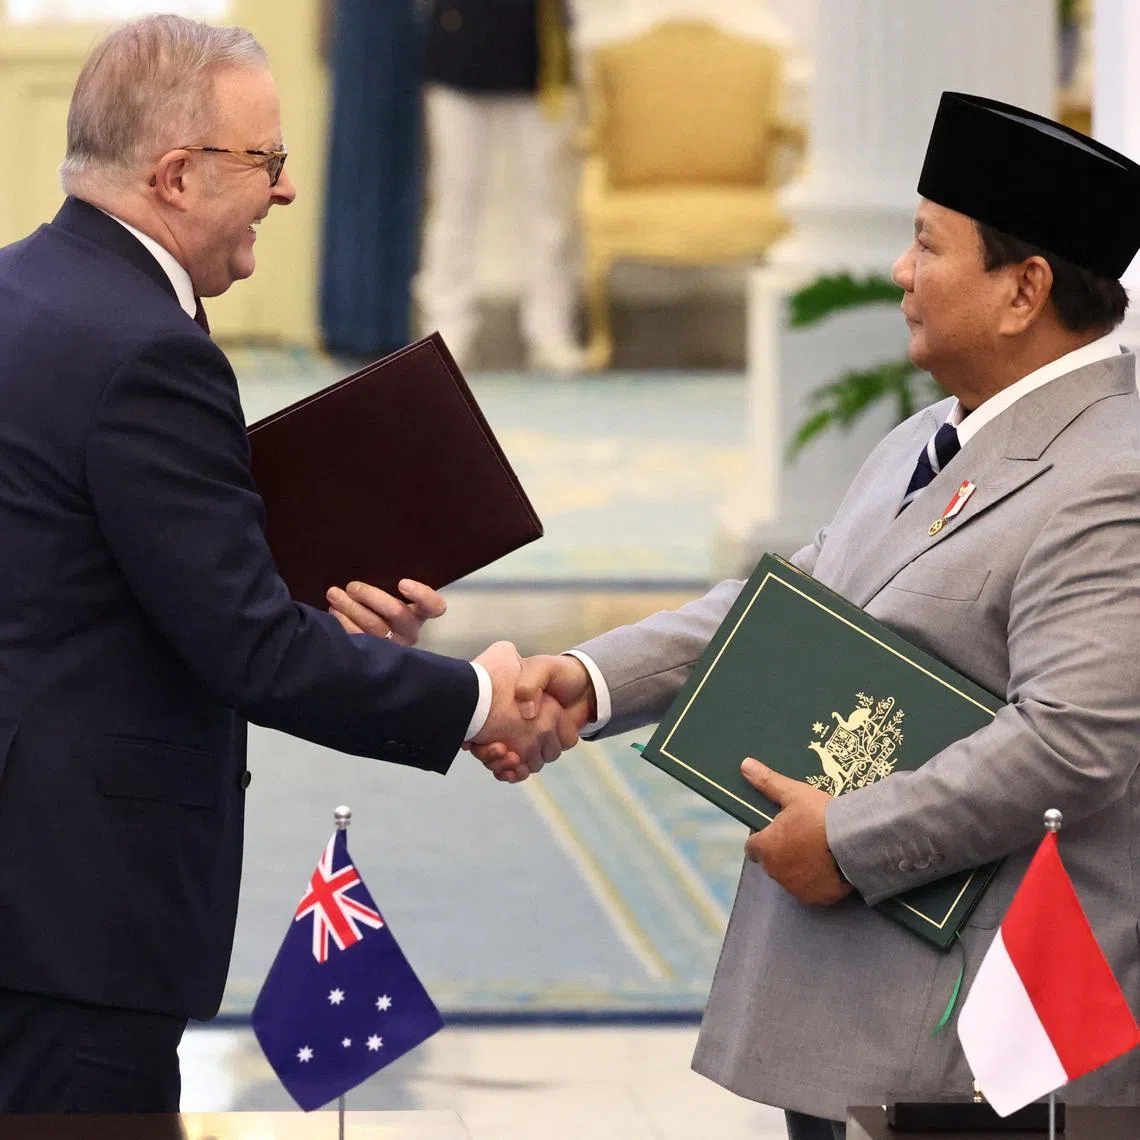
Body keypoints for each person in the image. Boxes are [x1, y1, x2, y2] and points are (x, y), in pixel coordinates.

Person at [412, 92, 1140, 1136]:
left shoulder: (1109, 477)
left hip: (974, 1044)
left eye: (928, 246)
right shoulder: (929, 434)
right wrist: (585, 678)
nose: (900, 272)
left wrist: (849, 841)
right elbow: (786, 612)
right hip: (854, 1009)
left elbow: (1075, 744)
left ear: (1024, 291)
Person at [0, 15, 568, 1115]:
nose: (287, 191)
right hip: (76, 911)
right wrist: (484, 698)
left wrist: (296, 596)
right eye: (267, 161)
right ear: (175, 174)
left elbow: (84, 567)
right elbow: (248, 651)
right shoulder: (150, 350)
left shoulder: (23, 288)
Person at [417, 0, 585, 371]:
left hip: (540, 58)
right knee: (454, 201)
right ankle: (445, 331)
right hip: (458, 47)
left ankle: (550, 330)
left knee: (550, 205)